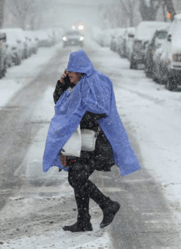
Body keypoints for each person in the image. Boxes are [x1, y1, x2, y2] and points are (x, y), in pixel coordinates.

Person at [43, 49, 141, 232]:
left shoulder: (96, 81)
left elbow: (100, 110)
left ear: (80, 69)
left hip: (99, 141)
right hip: (83, 140)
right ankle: (84, 220)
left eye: (71, 70)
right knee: (76, 175)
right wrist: (62, 84)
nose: (68, 73)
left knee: (76, 176)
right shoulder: (77, 85)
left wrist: (77, 115)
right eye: (68, 70)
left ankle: (106, 206)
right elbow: (60, 103)